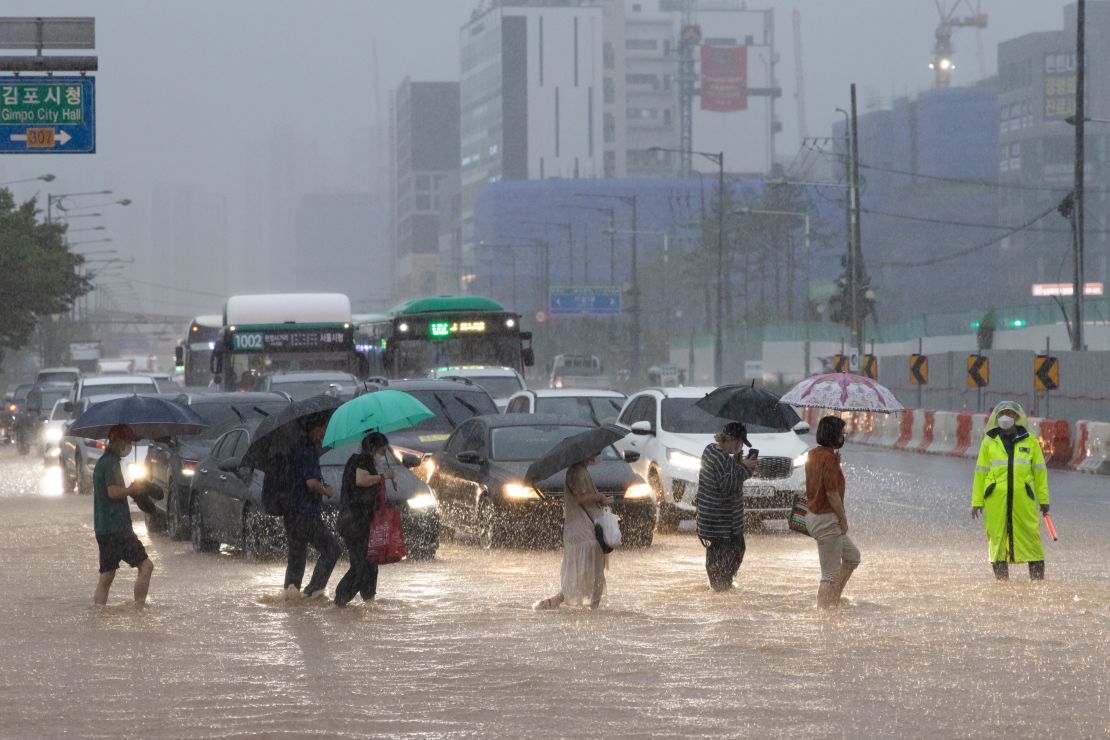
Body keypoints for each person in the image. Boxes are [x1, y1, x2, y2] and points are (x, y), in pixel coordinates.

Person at [971, 401, 1050, 581]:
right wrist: (976, 502)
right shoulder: (988, 442)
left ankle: (1038, 584)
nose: (1006, 417)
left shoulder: (1030, 441)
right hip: (995, 502)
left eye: (1010, 413)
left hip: (1024, 501)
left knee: (1031, 539)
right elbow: (980, 473)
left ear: (1017, 417)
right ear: (997, 418)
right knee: (997, 540)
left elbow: (1040, 472)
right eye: (1003, 414)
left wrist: (1044, 499)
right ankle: (1002, 586)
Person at [534, 454, 610, 610]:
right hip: (581, 527)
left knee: (592, 566)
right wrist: (599, 497)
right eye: (596, 451)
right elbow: (579, 499)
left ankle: (588, 606)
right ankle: (566, 601)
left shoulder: (581, 470)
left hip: (584, 525)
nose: (599, 455)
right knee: (591, 566)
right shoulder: (577, 472)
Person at [92, 424, 155, 606]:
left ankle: (98, 612)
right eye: (128, 442)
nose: (129, 446)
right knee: (146, 566)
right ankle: (139, 609)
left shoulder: (102, 463)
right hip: (117, 528)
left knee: (107, 574)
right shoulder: (111, 464)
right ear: (118, 441)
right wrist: (132, 489)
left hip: (104, 528)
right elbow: (113, 492)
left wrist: (130, 490)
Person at [805, 416, 861, 608]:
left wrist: (835, 463)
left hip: (814, 518)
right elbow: (831, 493)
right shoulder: (828, 458)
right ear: (833, 435)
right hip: (827, 519)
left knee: (853, 557)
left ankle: (833, 598)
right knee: (829, 574)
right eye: (841, 433)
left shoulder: (813, 454)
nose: (843, 437)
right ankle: (824, 614)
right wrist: (843, 519)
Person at [334, 431, 395, 607]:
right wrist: (384, 477)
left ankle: (369, 601)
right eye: (382, 452)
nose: (383, 456)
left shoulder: (366, 462)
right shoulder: (360, 460)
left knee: (370, 564)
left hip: (362, 523)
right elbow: (361, 480)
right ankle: (339, 602)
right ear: (373, 448)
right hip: (354, 524)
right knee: (361, 566)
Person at [696, 421, 759, 592]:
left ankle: (718, 587)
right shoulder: (721, 458)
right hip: (722, 524)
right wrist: (744, 468)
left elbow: (726, 475)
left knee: (717, 556)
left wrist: (738, 463)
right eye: (737, 443)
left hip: (711, 521)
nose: (739, 447)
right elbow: (728, 486)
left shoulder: (710, 450)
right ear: (728, 439)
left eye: (741, 444)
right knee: (732, 553)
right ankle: (722, 589)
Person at [283, 420, 341, 597]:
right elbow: (311, 483)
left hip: (291, 513)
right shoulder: (308, 450)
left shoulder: (296, 447)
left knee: (296, 560)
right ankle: (313, 593)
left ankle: (290, 598)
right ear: (315, 428)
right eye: (324, 428)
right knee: (332, 549)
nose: (325, 433)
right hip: (305, 513)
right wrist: (327, 491)